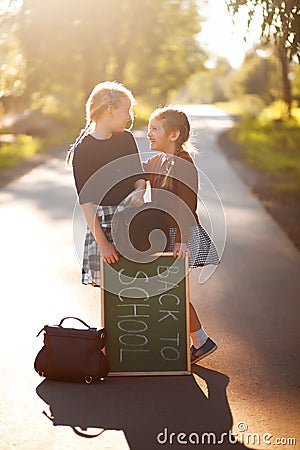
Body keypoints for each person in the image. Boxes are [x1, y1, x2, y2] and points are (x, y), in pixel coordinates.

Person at [143, 106, 219, 364]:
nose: (149, 133)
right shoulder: (161, 161)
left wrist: (181, 241)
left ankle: (200, 340)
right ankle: (196, 339)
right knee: (171, 288)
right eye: (149, 128)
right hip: (169, 234)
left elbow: (187, 205)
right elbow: (139, 168)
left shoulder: (183, 163)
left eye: (155, 129)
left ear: (174, 135)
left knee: (172, 289)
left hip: (179, 235)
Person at [65, 81, 146, 286]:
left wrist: (139, 191)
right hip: (102, 226)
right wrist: (103, 245)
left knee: (137, 285)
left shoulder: (126, 139)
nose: (130, 117)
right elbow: (87, 203)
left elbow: (139, 177)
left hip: (133, 221)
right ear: (110, 110)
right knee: (110, 292)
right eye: (126, 110)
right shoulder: (84, 150)